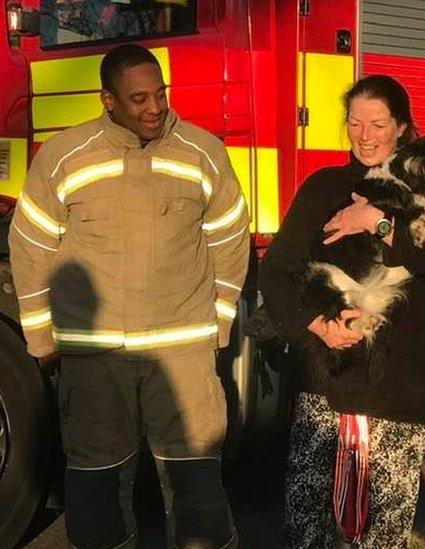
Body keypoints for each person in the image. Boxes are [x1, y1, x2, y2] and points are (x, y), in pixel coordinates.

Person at [8, 44, 247, 548]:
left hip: (181, 356)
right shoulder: (64, 156)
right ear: (108, 100)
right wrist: (40, 341)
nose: (154, 108)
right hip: (96, 360)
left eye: (160, 94)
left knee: (198, 492)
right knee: (95, 494)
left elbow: (229, 235)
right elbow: (29, 246)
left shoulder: (203, 151)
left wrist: (218, 324)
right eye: (138, 99)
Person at [258, 74, 425, 548]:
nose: (365, 135)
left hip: (400, 387)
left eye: (377, 123)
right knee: (307, 523)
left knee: (382, 532)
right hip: (325, 381)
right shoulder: (323, 186)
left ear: (402, 128)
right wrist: (318, 325)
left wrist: (378, 220)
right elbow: (277, 272)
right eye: (355, 123)